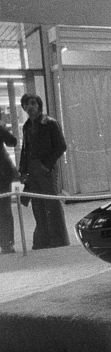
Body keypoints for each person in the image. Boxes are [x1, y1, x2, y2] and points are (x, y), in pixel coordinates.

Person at [19, 93, 69, 249]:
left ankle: (58, 239)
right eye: (26, 104)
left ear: (39, 105)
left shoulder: (50, 123)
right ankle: (42, 240)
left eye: (33, 103)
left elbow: (61, 146)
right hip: (32, 171)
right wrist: (22, 171)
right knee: (37, 205)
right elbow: (25, 150)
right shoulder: (26, 126)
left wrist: (46, 165)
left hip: (46, 169)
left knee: (52, 205)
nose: (30, 107)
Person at [0, 112, 17, 254]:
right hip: (3, 173)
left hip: (2, 174)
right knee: (4, 209)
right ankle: (6, 243)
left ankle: (7, 243)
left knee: (4, 209)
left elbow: (12, 141)